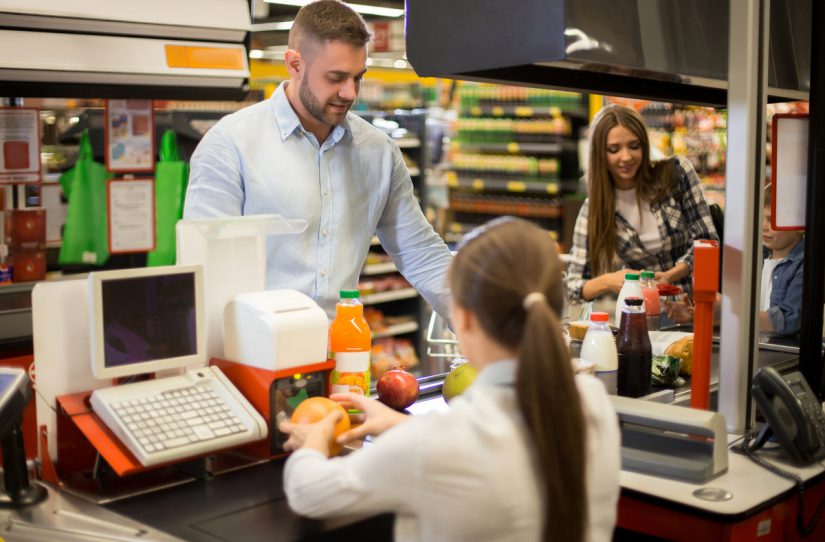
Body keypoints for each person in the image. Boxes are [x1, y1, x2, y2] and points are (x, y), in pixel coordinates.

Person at [279, 217, 621, 542]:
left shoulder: (434, 444)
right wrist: (402, 426)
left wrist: (314, 439)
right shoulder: (590, 399)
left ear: (464, 321)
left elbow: (308, 493)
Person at [183, 0, 452, 319]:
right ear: (294, 64)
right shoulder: (230, 145)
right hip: (253, 356)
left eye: (358, 77)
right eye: (336, 77)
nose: (350, 93)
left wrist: (489, 323)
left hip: (342, 354)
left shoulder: (377, 152)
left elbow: (421, 252)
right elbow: (204, 273)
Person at [566, 104, 718, 305]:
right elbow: (573, 288)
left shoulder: (676, 174)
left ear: (644, 145)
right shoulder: (595, 207)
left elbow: (707, 241)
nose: (626, 157)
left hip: (693, 311)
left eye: (634, 146)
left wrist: (671, 275)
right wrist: (610, 281)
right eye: (614, 149)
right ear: (599, 154)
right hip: (640, 319)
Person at [666, 183, 804, 335]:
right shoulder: (755, 258)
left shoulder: (804, 265)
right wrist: (697, 317)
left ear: (800, 225)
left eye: (772, 220)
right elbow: (742, 317)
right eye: (760, 217)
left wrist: (730, 308)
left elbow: (788, 319)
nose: (763, 226)